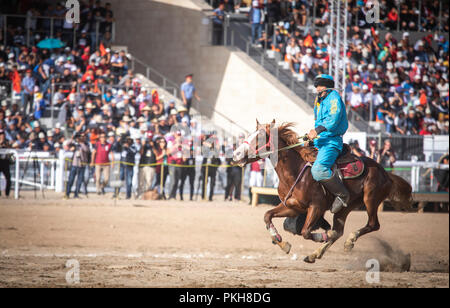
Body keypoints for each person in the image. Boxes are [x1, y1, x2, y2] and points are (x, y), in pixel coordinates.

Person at [307, 74, 349, 213]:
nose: (317, 89)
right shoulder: (318, 100)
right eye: (316, 86)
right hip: (319, 140)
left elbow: (333, 119)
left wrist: (317, 130)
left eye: (319, 86)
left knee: (318, 171)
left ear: (327, 86)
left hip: (331, 141)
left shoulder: (334, 98)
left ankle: (342, 195)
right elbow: (316, 120)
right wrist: (312, 135)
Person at [65, 133, 90, 199]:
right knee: (71, 180)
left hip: (82, 164)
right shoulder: (75, 143)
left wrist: (81, 143)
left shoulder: (86, 144)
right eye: (80, 137)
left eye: (82, 137)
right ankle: (67, 193)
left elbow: (86, 150)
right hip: (74, 164)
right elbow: (67, 145)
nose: (81, 138)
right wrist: (72, 138)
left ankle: (76, 194)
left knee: (79, 180)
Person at [0, 130, 12, 198]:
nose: (2, 135)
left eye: (3, 134)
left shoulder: (6, 141)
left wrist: (6, 145)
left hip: (5, 162)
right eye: (1, 134)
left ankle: (7, 193)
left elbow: (10, 149)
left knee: (8, 178)